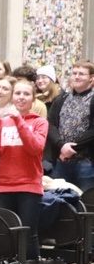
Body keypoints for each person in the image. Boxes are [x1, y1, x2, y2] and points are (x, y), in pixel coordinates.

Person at [0, 79, 48, 260]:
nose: (21, 97)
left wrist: (17, 119)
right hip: (5, 186)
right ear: (12, 96)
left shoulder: (40, 123)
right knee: (6, 235)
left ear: (33, 99)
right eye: (18, 93)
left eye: (26, 94)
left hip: (29, 186)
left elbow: (34, 148)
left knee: (28, 236)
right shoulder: (3, 122)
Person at [47, 60, 94, 191]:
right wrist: (61, 145)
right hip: (62, 160)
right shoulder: (62, 98)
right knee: (59, 201)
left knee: (86, 202)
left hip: (86, 162)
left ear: (91, 78)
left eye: (82, 74)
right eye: (74, 73)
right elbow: (50, 124)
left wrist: (72, 149)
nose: (77, 77)